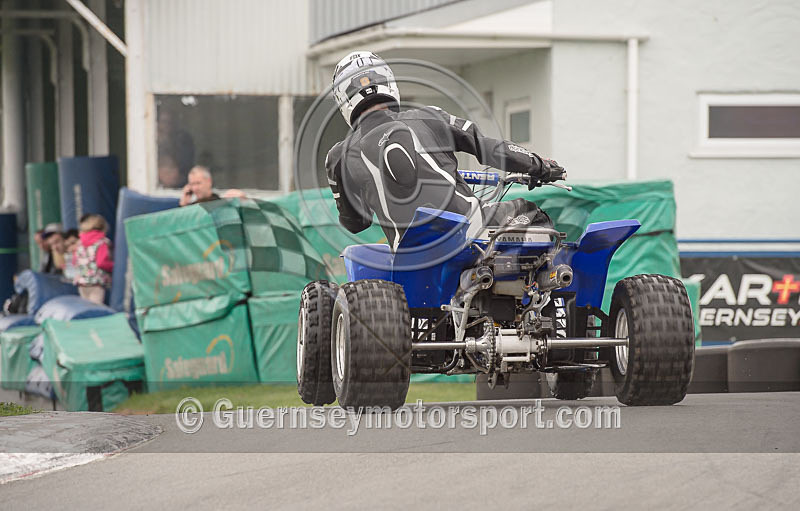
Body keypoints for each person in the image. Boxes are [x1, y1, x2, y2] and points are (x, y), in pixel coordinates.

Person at [326, 51, 565, 251]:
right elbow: (489, 148)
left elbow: (356, 223)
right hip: (468, 228)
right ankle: (544, 297)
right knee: (529, 211)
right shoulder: (429, 116)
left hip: (408, 254)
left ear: (343, 100)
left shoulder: (338, 158)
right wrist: (540, 166)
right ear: (388, 82)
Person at [73, 214, 113, 304]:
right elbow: (101, 262)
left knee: (86, 305)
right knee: (97, 305)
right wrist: (113, 266)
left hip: (81, 281)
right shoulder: (101, 242)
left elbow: (74, 261)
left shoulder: (80, 243)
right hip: (96, 281)